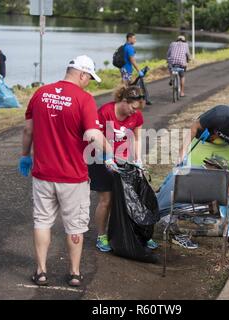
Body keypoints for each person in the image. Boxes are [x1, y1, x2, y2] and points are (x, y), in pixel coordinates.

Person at [19, 55, 117, 287]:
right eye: (89, 78)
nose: (89, 82)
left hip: (43, 174)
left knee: (42, 221)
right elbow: (93, 135)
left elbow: (27, 131)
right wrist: (110, 152)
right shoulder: (84, 99)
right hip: (73, 177)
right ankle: (74, 273)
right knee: (74, 226)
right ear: (82, 74)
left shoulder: (40, 94)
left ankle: (41, 271)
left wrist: (25, 156)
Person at [88, 85, 158, 252]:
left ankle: (139, 235)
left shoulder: (137, 115)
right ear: (124, 101)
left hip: (123, 159)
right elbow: (93, 136)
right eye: (132, 108)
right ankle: (102, 236)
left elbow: (137, 138)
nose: (134, 113)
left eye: (137, 110)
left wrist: (138, 160)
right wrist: (107, 157)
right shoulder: (105, 112)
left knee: (132, 199)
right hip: (100, 159)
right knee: (107, 200)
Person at [180, 105, 229, 198]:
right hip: (203, 141)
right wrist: (183, 150)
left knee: (227, 180)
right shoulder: (220, 115)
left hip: (225, 146)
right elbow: (194, 127)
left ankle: (217, 204)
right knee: (190, 171)